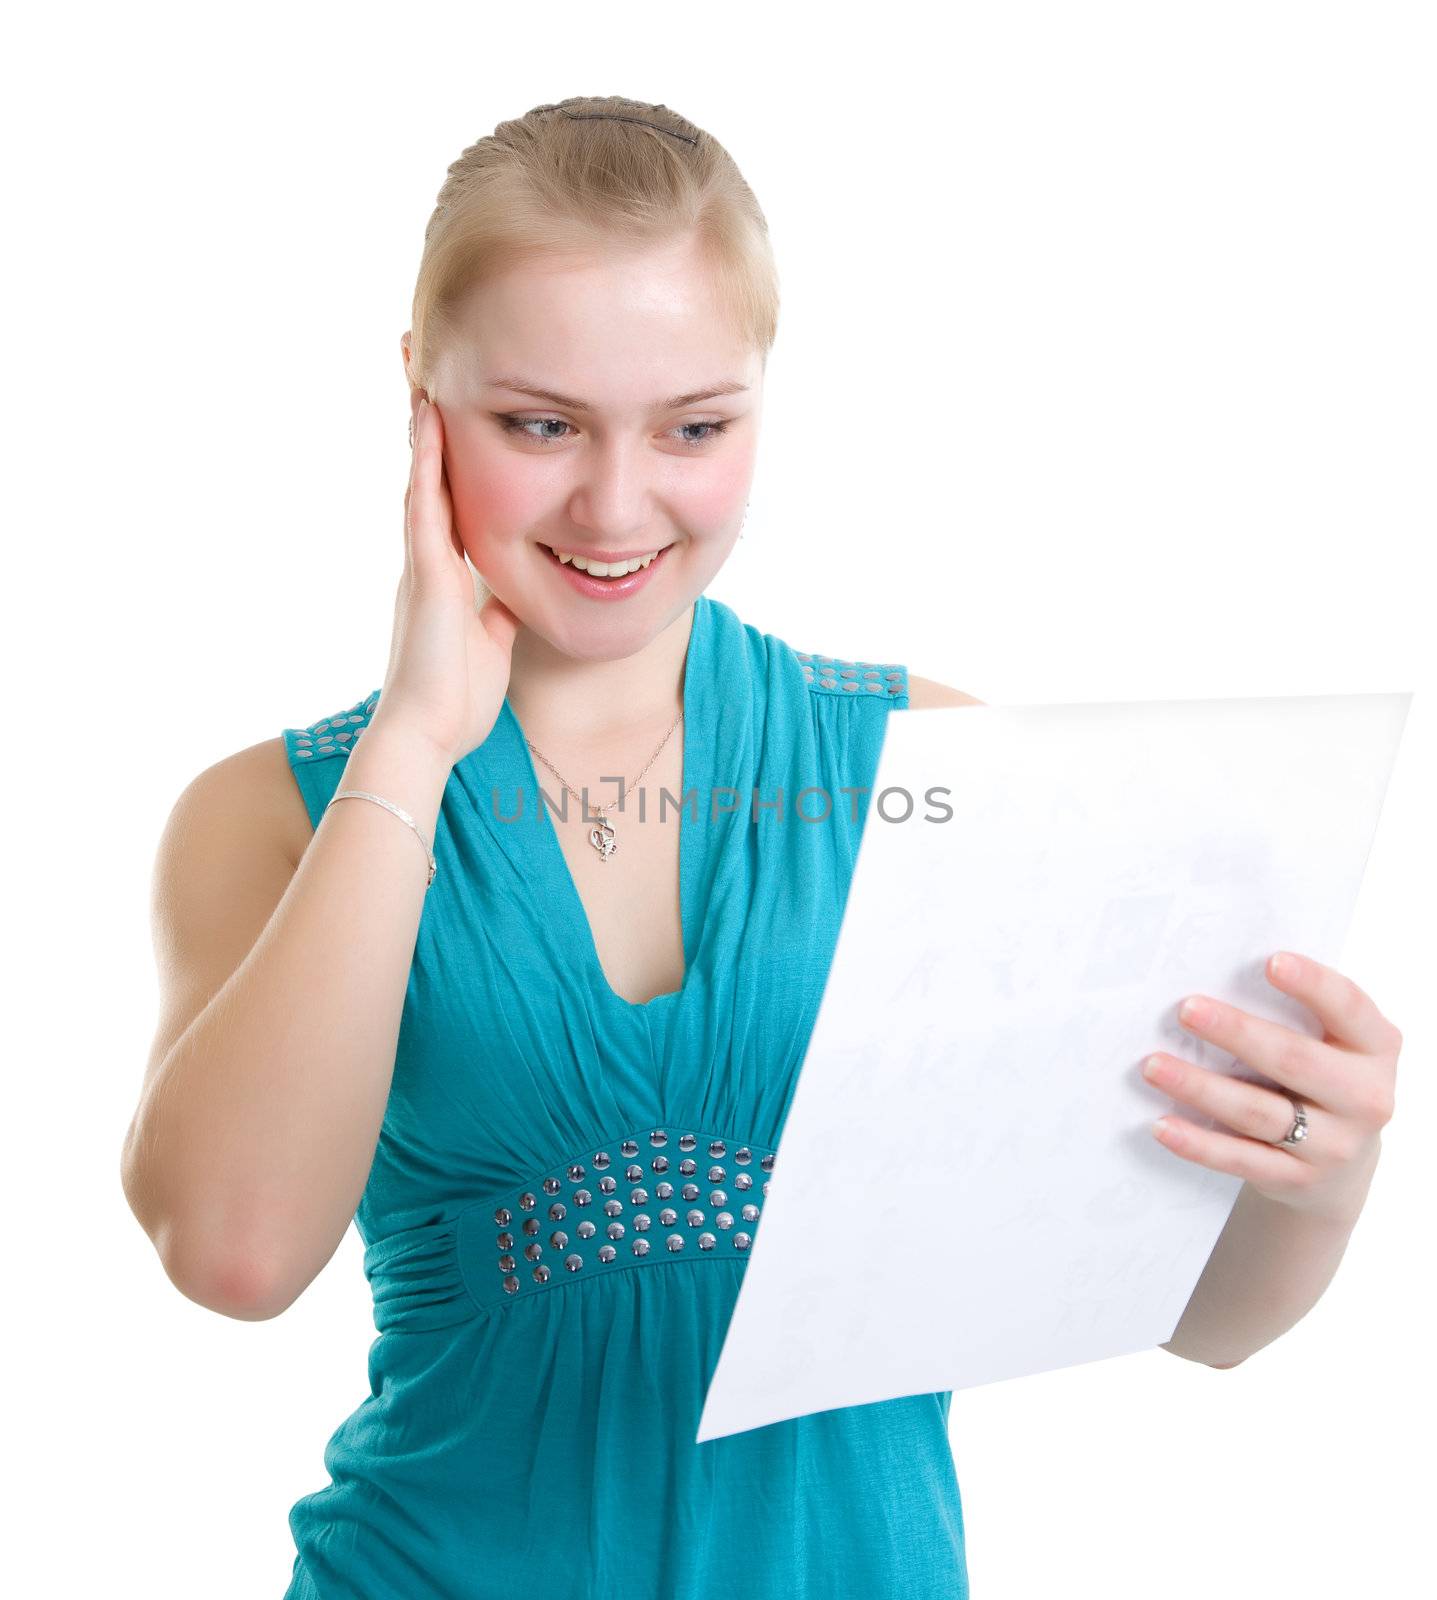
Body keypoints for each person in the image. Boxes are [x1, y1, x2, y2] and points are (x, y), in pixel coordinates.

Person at [120, 95, 983, 1599]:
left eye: (694, 427)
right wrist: (411, 742)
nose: (615, 502)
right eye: (539, 423)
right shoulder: (267, 817)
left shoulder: (941, 766)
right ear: (419, 395)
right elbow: (235, 1255)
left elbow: (1190, 1295)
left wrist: (1321, 1159)